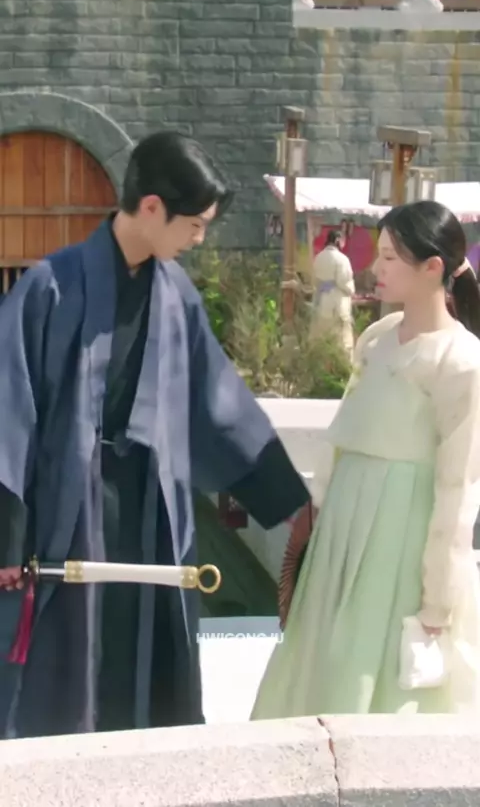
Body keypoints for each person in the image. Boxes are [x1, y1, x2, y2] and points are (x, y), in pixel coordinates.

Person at [0, 131, 311, 739]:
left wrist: (291, 502)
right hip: (66, 512)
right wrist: (7, 540)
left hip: (151, 512)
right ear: (150, 208)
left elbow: (220, 407)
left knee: (145, 664)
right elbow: (9, 416)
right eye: (193, 226)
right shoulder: (49, 287)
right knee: (61, 673)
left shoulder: (177, 298)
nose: (198, 239)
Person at [251, 200, 480, 718]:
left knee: (374, 668)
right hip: (344, 526)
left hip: (401, 535)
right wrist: (317, 511)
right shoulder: (377, 338)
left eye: (391, 258)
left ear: (433, 267)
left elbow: (458, 488)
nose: (376, 268)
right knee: (322, 655)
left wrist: (438, 599)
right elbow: (344, 435)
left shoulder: (461, 360)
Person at [311, 229, 355, 359]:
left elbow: (314, 280)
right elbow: (344, 281)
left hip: (321, 300)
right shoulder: (342, 259)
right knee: (341, 339)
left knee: (321, 336)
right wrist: (351, 290)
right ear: (337, 240)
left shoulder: (318, 257)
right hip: (337, 301)